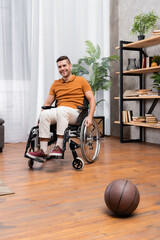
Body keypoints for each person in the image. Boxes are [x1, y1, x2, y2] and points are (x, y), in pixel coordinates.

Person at [27, 56, 96, 160]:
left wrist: (90, 117)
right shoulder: (56, 84)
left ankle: (59, 146)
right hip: (60, 112)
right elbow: (48, 103)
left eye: (64, 65)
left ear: (70, 66)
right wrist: (39, 119)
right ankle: (43, 150)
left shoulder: (81, 81)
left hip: (76, 113)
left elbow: (92, 100)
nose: (62, 68)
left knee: (61, 110)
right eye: (60, 67)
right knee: (45, 114)